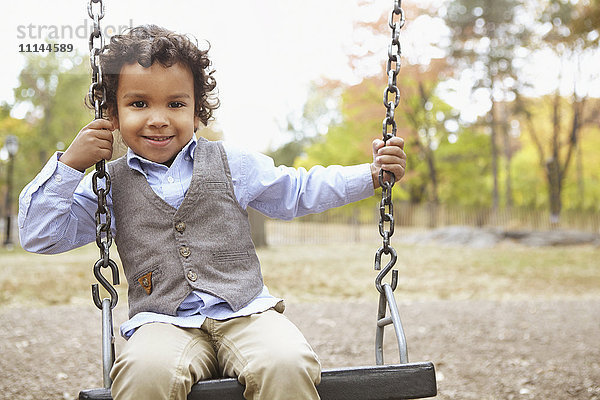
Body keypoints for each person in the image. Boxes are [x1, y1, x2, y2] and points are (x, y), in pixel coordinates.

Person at [18, 25, 406, 400]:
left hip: (247, 313)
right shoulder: (108, 184)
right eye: (139, 103)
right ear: (112, 115)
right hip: (162, 323)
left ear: (197, 111)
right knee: (144, 374)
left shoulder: (230, 162)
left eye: (175, 103)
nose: (158, 118)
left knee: (287, 362)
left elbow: (297, 190)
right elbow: (40, 235)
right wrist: (69, 165)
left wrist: (370, 175)